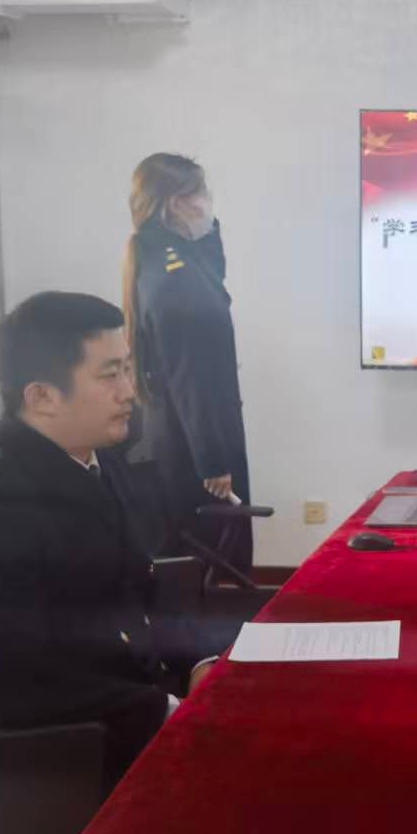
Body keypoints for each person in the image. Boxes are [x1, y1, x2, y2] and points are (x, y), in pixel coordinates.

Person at [0, 291, 240, 786]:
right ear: (42, 397)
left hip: (126, 698)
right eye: (110, 375)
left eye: (128, 369)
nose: (129, 392)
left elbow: (140, 587)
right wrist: (168, 709)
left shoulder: (92, 460)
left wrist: (198, 663)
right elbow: (24, 682)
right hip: (64, 751)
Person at [123, 152, 253, 570]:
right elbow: (190, 379)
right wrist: (213, 463)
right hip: (195, 446)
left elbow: (216, 273)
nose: (208, 201)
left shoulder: (169, 255)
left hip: (188, 432)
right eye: (201, 194)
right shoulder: (177, 282)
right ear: (176, 203)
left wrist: (210, 228)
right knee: (205, 562)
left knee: (205, 562)